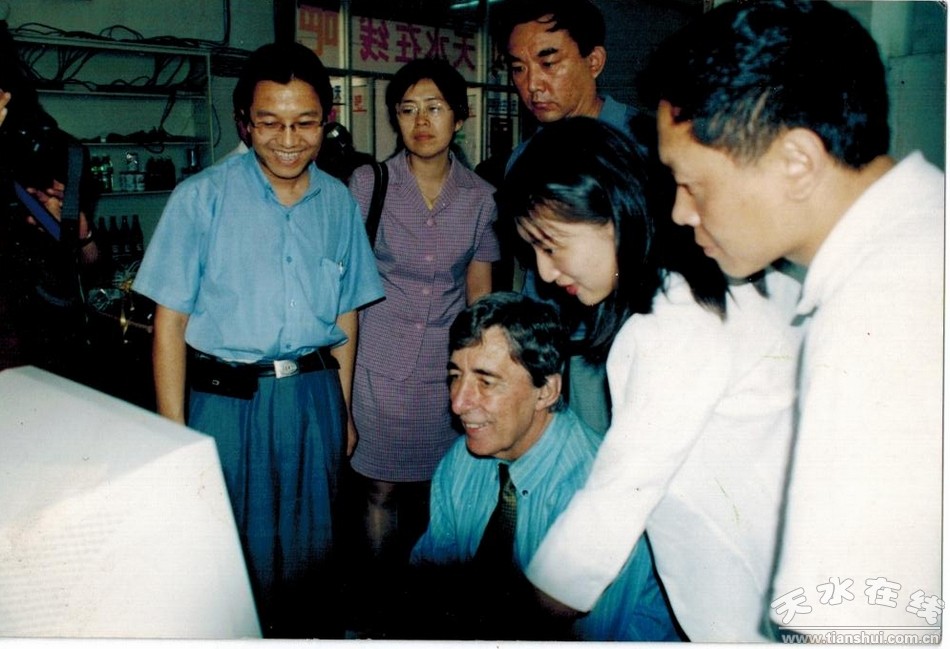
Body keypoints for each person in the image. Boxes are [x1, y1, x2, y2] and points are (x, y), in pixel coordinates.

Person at [647, 0, 943, 637]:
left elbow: (859, 625)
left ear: (797, 163)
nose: (679, 212)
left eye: (692, 183)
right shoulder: (922, 237)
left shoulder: (881, 309)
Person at [496, 117, 799, 641]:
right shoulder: (710, 283)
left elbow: (614, 501)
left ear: (612, 216)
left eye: (552, 245)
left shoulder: (673, 321)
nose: (544, 273)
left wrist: (512, 626)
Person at [132, 42, 384, 638]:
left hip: (315, 398)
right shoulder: (201, 198)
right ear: (245, 121)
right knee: (228, 555)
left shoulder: (338, 203)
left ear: (328, 120)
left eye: (305, 123)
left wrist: (345, 409)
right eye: (270, 123)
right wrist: (172, 433)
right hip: (226, 402)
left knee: (314, 554)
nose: (288, 140)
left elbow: (346, 316)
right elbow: (169, 322)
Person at [407, 291, 681, 642]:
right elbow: (430, 583)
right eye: (455, 375)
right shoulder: (461, 461)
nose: (458, 402)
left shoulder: (600, 497)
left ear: (547, 391)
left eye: (486, 382)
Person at [344, 56, 499, 614]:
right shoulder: (370, 184)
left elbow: (480, 296)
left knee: (444, 492)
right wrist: (342, 395)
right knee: (379, 492)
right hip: (377, 367)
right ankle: (377, 613)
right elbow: (346, 294)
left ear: (459, 115)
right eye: (408, 109)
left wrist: (485, 380)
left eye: (434, 108)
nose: (421, 121)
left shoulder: (480, 197)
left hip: (446, 376)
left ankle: (428, 615)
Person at [493, 0, 655, 437]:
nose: (532, 85)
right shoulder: (524, 161)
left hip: (634, 346)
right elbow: (534, 279)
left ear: (594, 61)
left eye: (549, 63)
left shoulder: (647, 145)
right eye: (519, 69)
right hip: (555, 353)